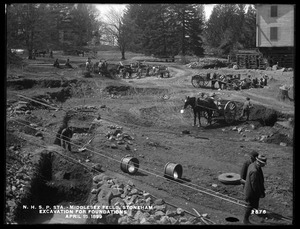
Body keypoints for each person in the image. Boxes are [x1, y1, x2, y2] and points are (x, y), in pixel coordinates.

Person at [243, 155, 267, 224]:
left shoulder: (252, 165)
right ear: (259, 162)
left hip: (249, 189)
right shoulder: (255, 171)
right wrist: (260, 194)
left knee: (253, 205)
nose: (264, 165)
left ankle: (253, 214)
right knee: (250, 205)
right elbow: (255, 186)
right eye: (263, 164)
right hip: (251, 192)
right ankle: (245, 220)